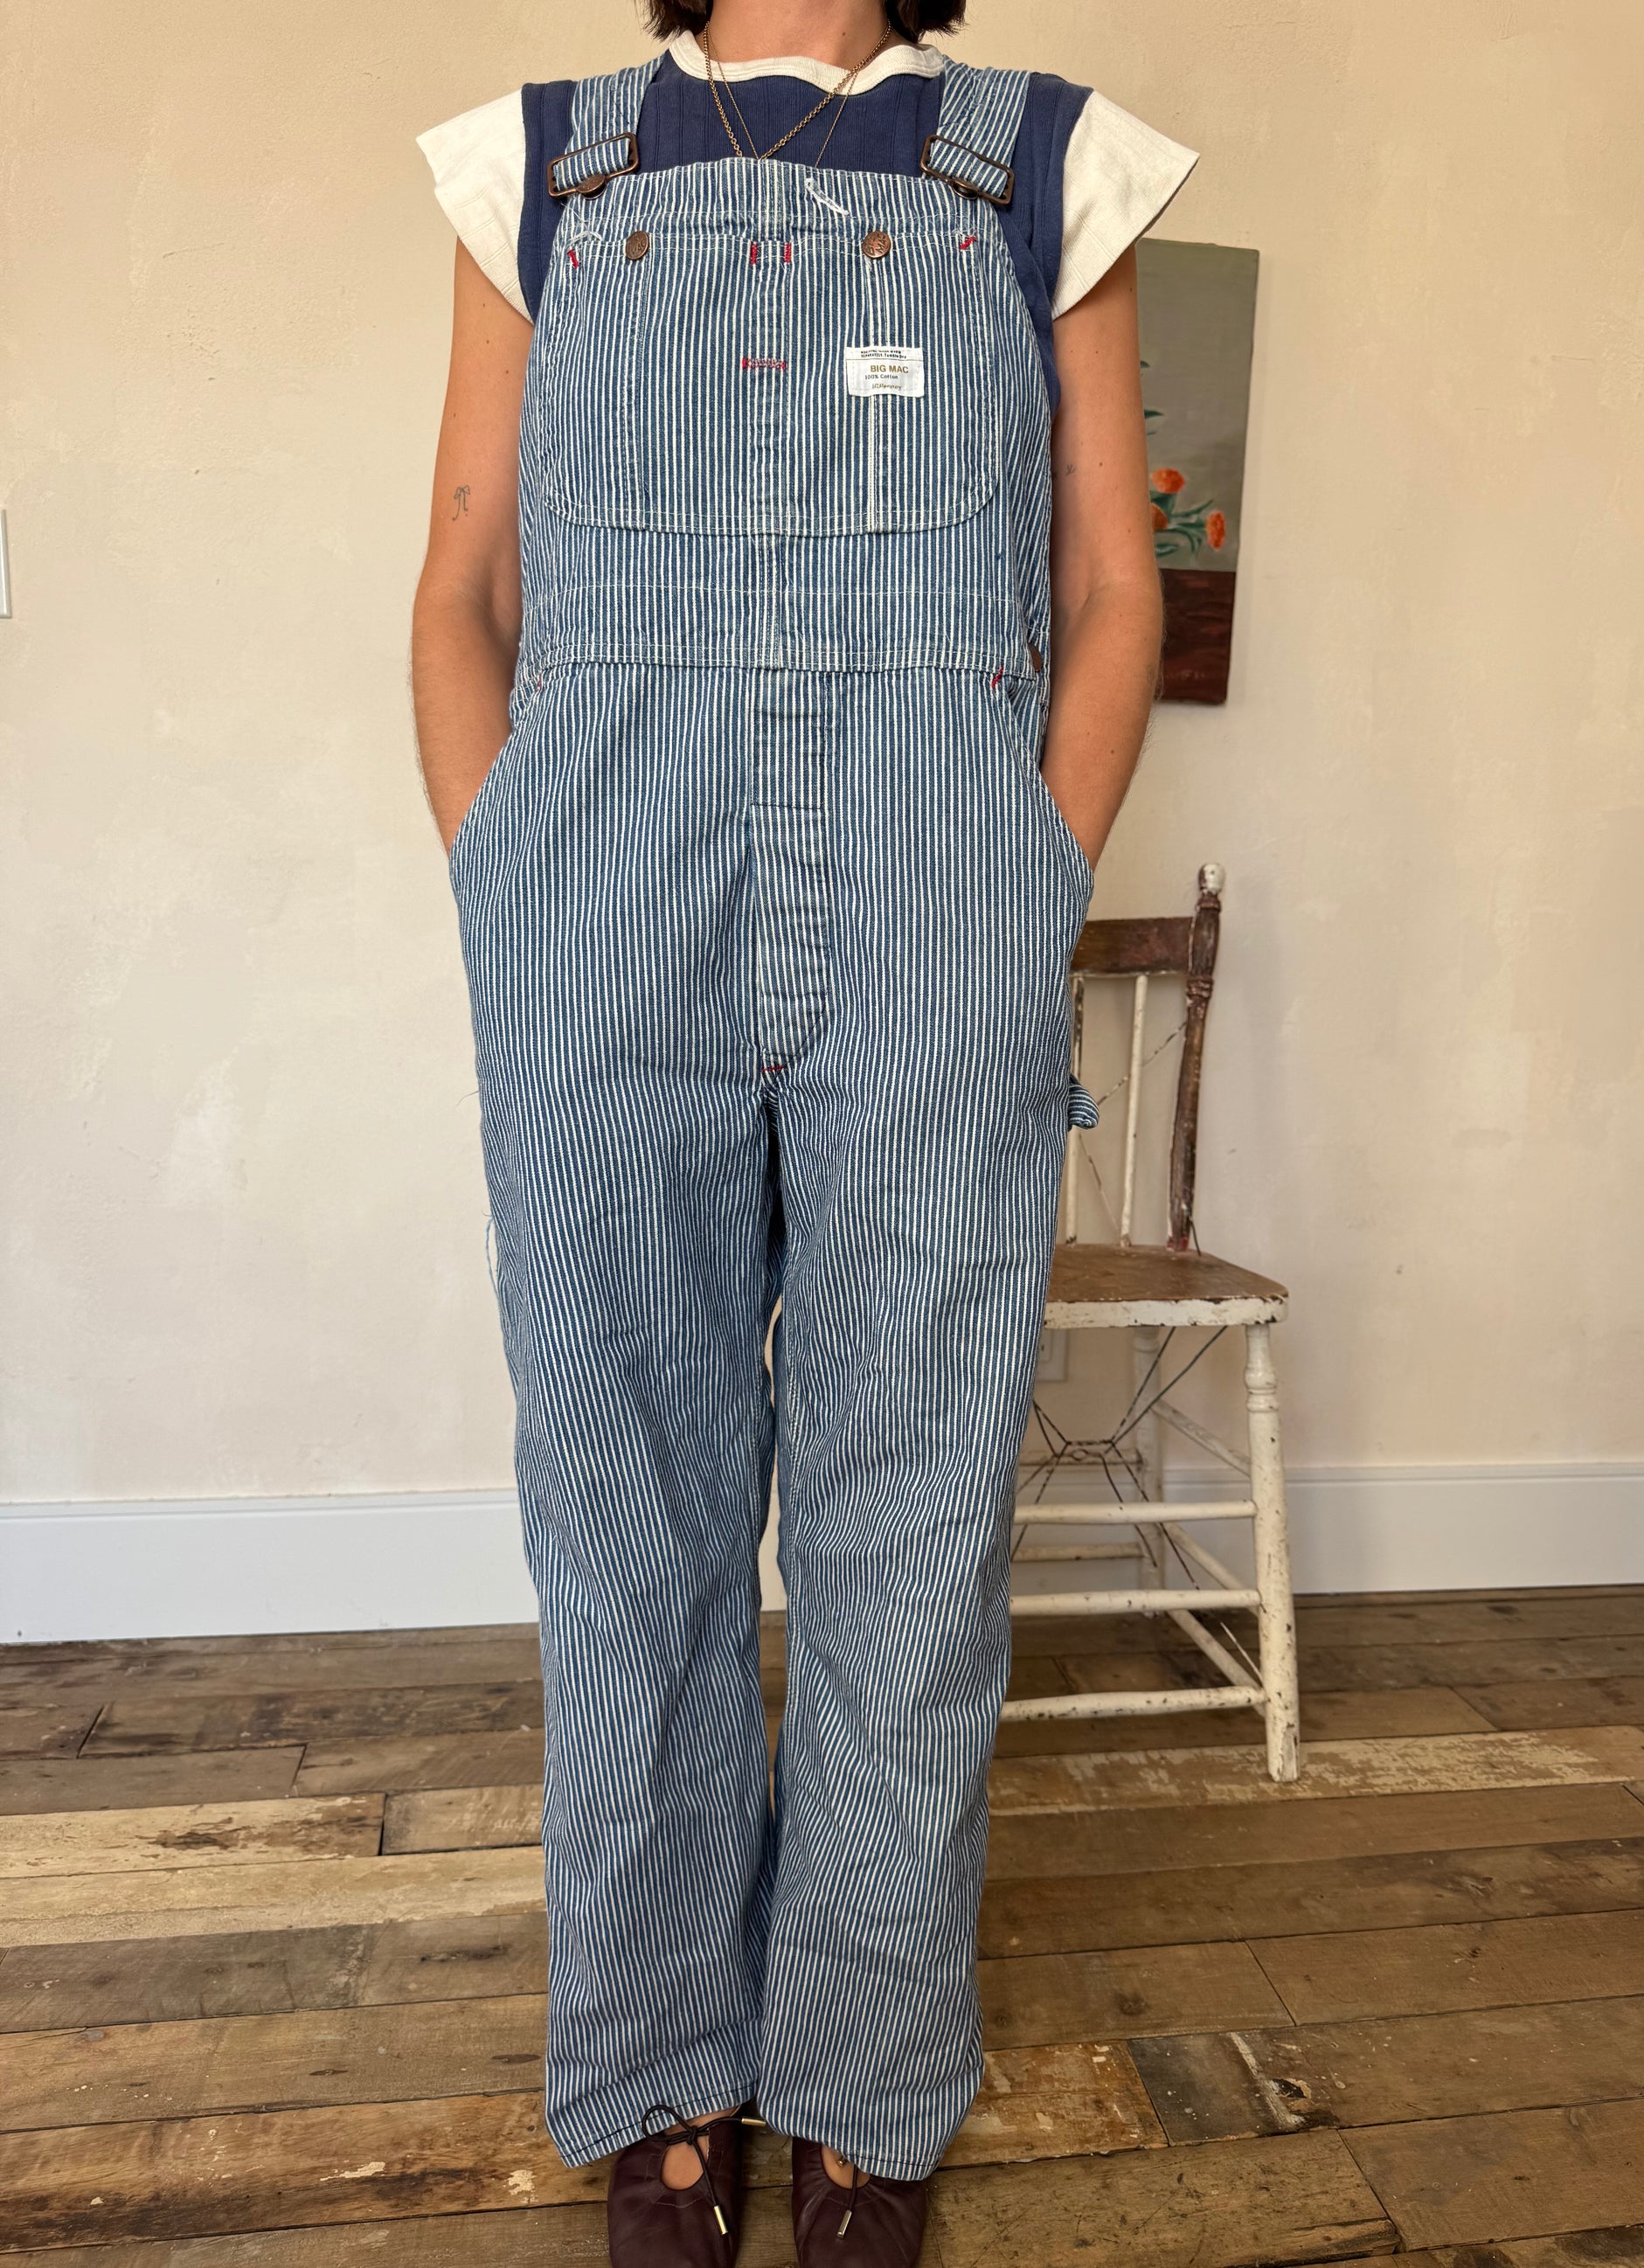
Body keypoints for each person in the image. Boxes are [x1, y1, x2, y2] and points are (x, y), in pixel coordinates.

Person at [413, 2, 1194, 2258]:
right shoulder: (535, 171)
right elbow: (462, 586)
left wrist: (1020, 884)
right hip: (601, 933)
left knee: (907, 1523)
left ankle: (860, 2070)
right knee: (625, 1521)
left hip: (936, 926)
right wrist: (509, 884)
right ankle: (663, 2063)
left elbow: (1112, 587)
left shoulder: (1049, 166)